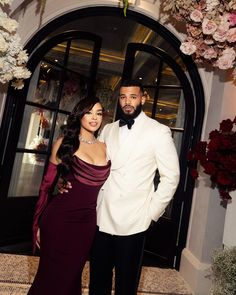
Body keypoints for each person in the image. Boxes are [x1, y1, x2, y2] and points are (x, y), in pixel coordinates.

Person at [60, 79, 180, 295]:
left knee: (126, 284)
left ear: (143, 98)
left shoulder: (158, 131)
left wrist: (150, 214)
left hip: (134, 220)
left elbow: (171, 177)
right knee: (98, 279)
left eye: (133, 97)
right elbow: (93, 163)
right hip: (102, 215)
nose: (127, 102)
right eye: (123, 97)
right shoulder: (108, 129)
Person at [28, 96, 111, 295]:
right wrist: (37, 223)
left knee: (72, 276)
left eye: (98, 113)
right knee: (50, 276)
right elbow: (46, 186)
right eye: (89, 112)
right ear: (79, 116)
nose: (94, 118)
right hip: (59, 220)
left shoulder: (105, 148)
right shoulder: (64, 143)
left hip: (87, 223)